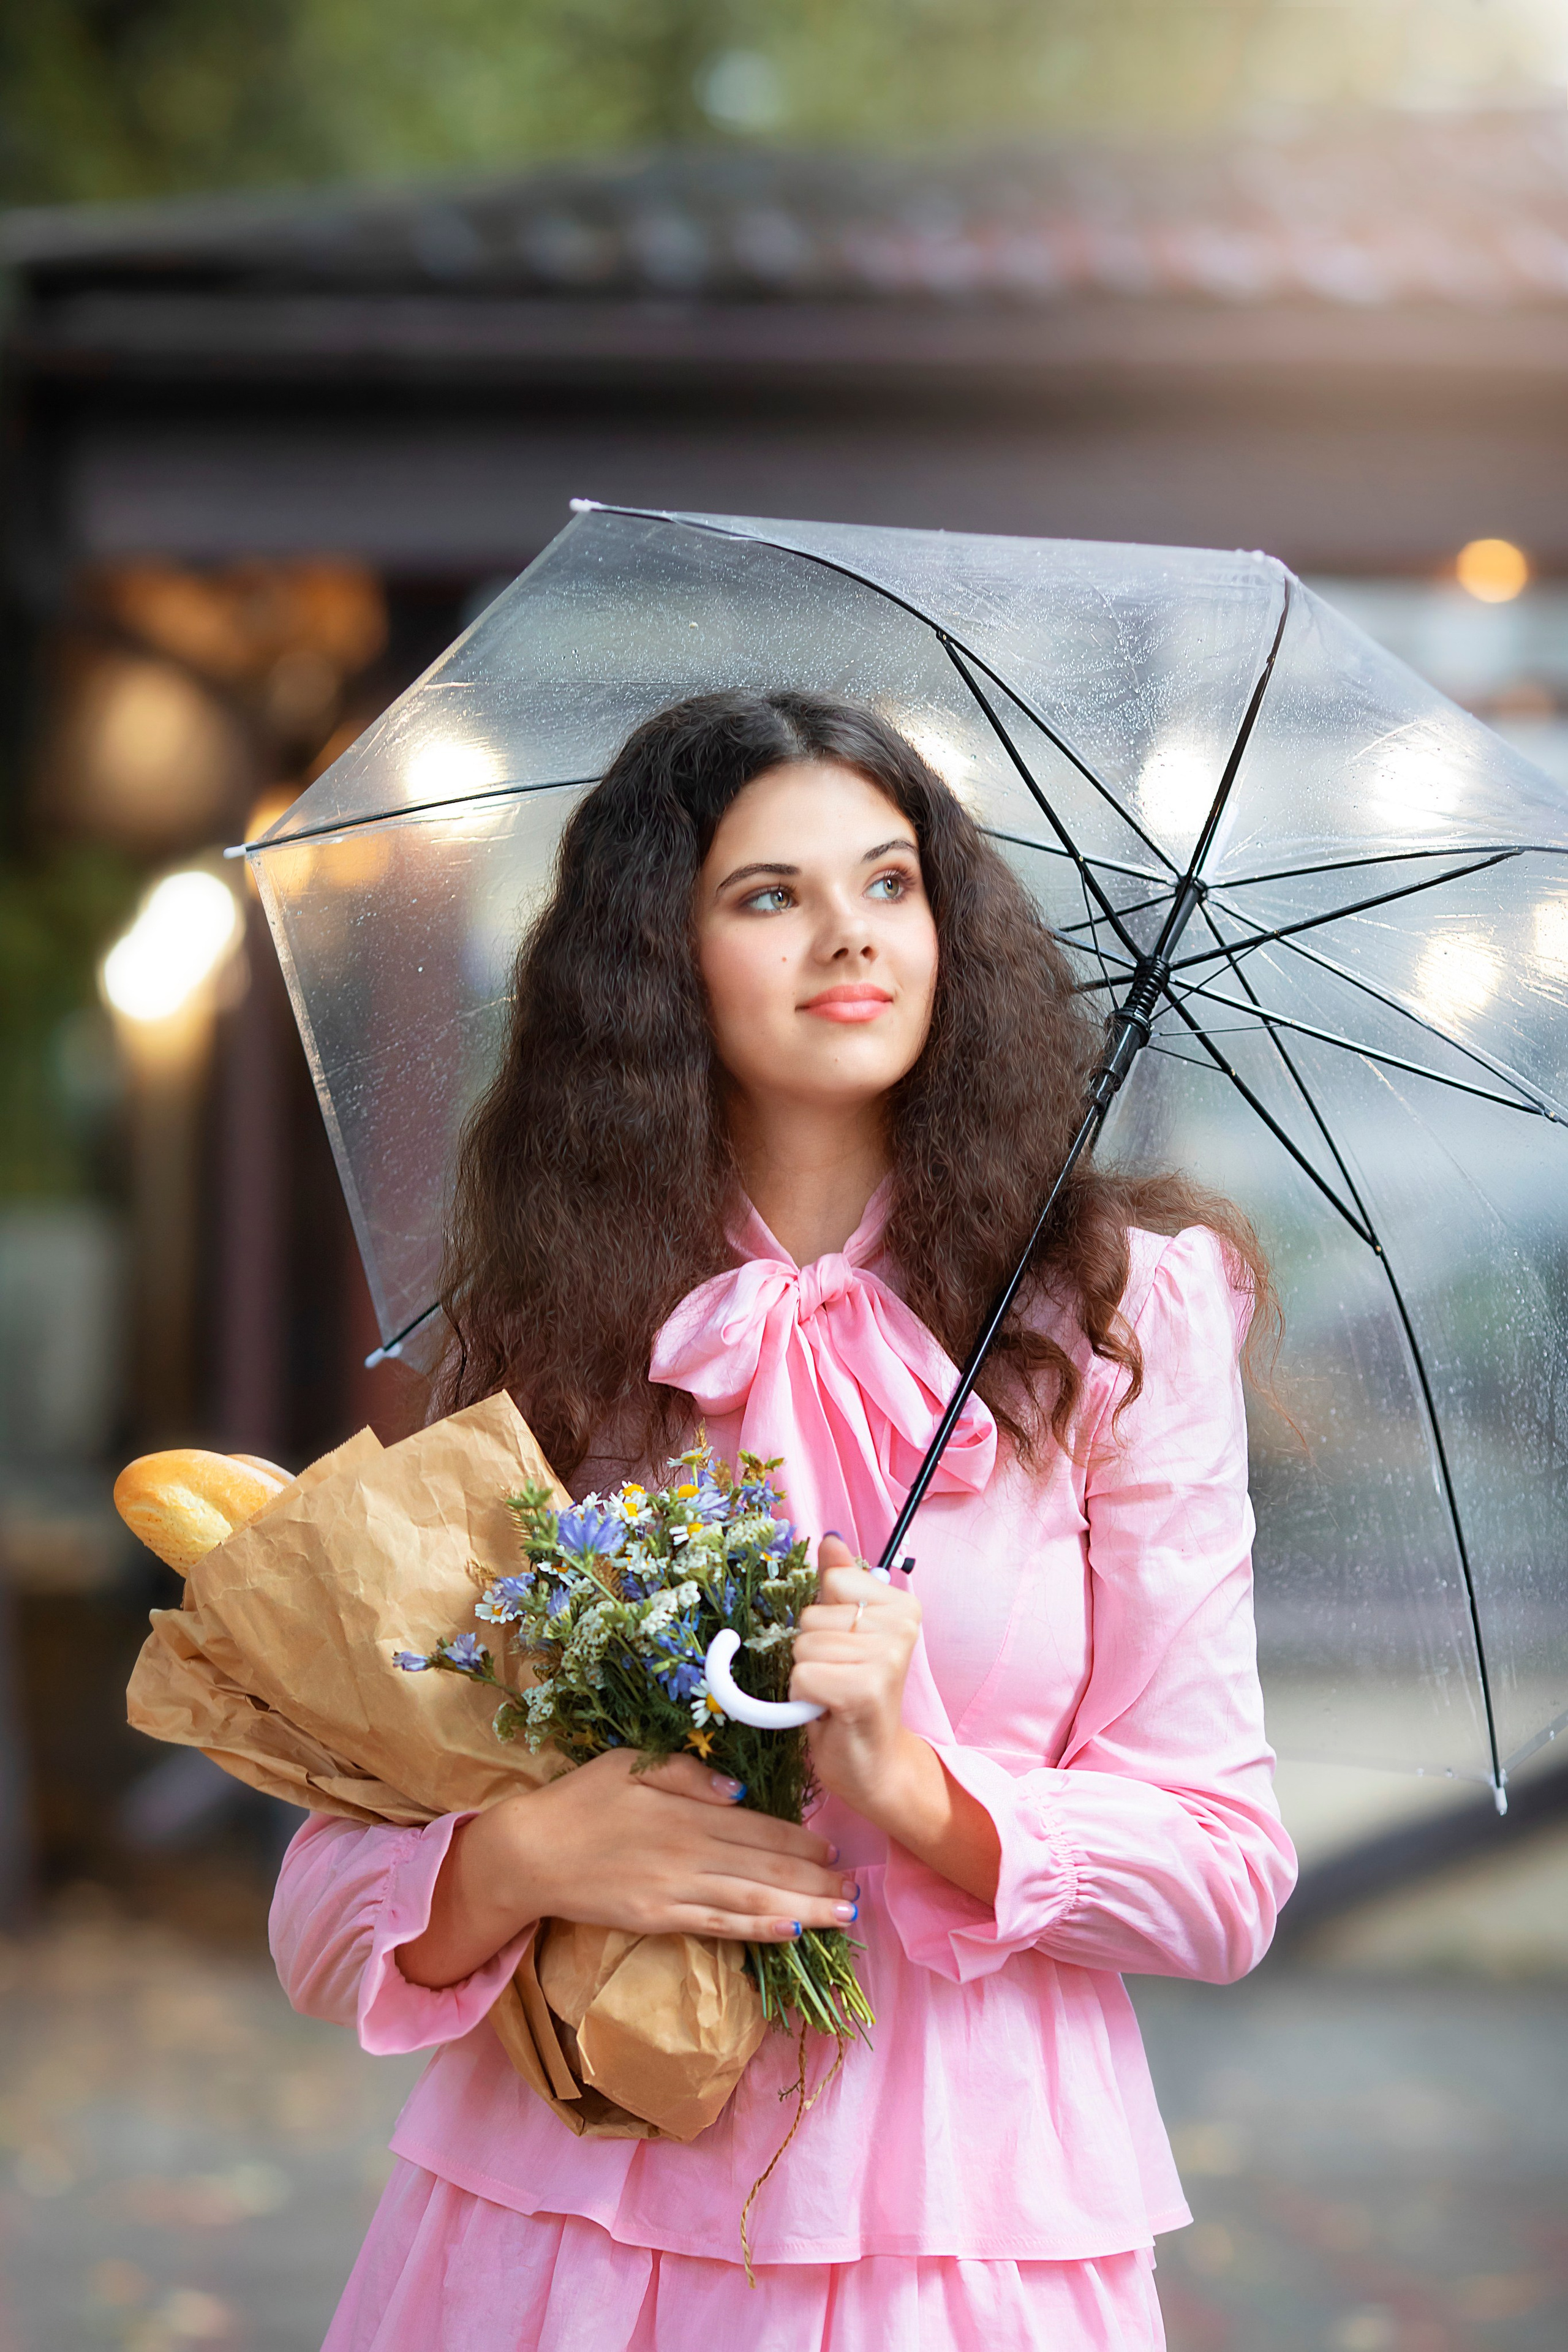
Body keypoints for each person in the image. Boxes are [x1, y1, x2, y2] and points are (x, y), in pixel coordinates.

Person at [271, 691, 1297, 2352]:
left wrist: (928, 1793)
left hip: (968, 2233)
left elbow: (1226, 1875)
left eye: (893, 885)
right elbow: (320, 1908)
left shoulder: (1121, 1320)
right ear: (655, 961)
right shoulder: (548, 1326)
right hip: (570, 2222)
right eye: (772, 895)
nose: (852, 937)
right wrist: (527, 1854)